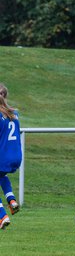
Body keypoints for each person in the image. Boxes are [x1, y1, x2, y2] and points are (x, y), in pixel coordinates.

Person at [0, 94, 22, 230]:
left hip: (3, 156)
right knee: (2, 176)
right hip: (16, 155)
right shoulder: (14, 113)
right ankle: (12, 201)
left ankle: (2, 216)